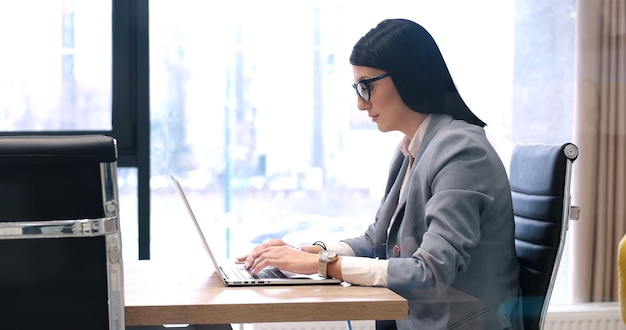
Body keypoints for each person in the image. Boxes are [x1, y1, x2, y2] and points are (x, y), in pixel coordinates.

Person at [238, 18, 523, 330]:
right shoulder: (412, 148)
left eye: (367, 86)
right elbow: (377, 239)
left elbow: (429, 272)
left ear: (407, 75)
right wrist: (311, 254)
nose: (361, 104)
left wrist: (323, 265)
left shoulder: (461, 151)